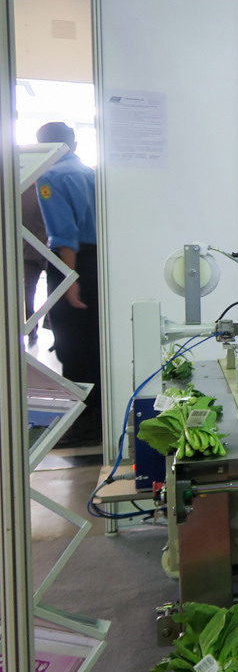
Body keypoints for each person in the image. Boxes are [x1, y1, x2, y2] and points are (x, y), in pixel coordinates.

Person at [35, 122, 102, 447]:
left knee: (71, 344)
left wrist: (69, 279)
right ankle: (98, 418)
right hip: (97, 262)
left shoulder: (49, 176)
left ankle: (83, 426)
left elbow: (64, 234)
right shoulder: (90, 174)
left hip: (71, 263)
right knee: (93, 342)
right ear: (73, 143)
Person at [21, 179, 48, 347]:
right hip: (47, 250)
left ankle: (31, 331)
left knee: (28, 292)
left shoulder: (18, 193)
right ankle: (52, 327)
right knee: (57, 289)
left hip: (26, 251)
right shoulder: (45, 191)